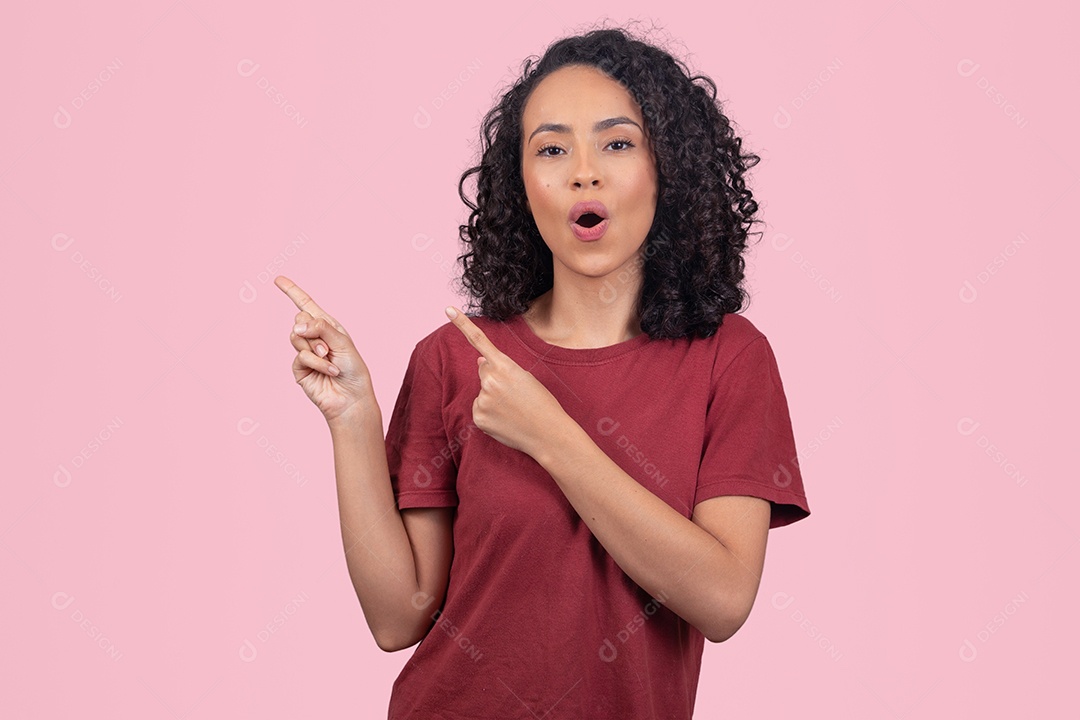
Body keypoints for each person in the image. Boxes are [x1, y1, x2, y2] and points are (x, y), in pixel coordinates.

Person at [276, 23, 810, 719]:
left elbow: (723, 598)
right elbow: (397, 617)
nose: (583, 171)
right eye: (552, 149)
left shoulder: (729, 356)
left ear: (668, 169)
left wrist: (550, 435)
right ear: (521, 185)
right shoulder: (454, 358)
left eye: (617, 143)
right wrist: (352, 418)